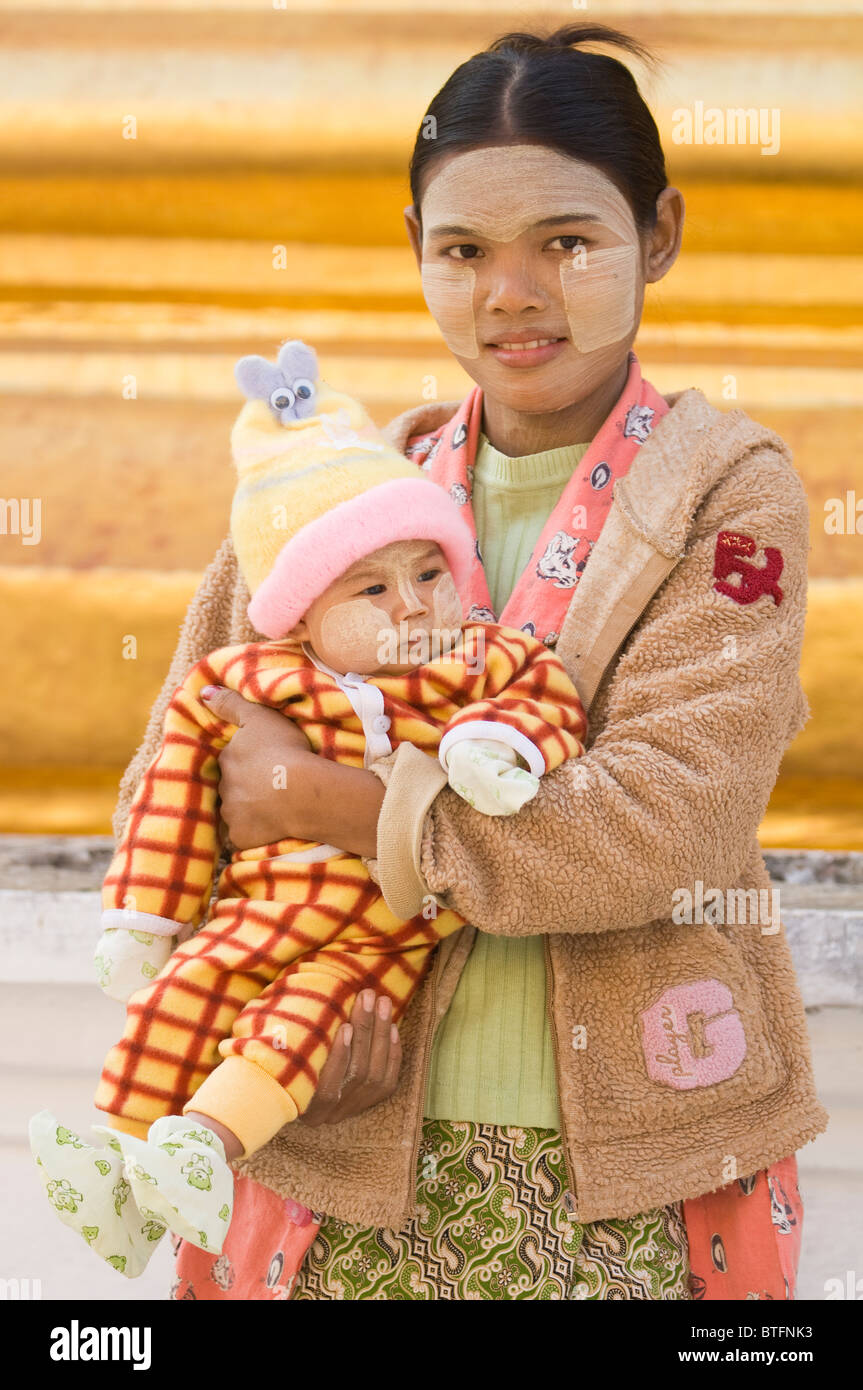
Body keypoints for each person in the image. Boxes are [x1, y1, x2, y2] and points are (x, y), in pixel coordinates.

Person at [118, 22, 827, 1301]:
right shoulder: (336, 496)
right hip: (337, 1138)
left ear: (655, 235)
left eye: (565, 242)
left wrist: (333, 806)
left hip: (623, 1171)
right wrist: (269, 1020)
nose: (511, 293)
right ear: (416, 254)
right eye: (463, 251)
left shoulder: (727, 498)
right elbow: (180, 764)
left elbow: (664, 826)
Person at [28, 346, 587, 1278]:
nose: (414, 607)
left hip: (378, 932)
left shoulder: (475, 660)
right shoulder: (246, 679)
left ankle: (201, 1144)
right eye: (372, 589)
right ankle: (121, 1168)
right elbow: (173, 797)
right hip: (259, 906)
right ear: (299, 614)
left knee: (305, 1023)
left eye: (430, 573)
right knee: (182, 995)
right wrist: (146, 915)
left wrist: (499, 749)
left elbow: (545, 696)